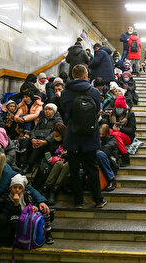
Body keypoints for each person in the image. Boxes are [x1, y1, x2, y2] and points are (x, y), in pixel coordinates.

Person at [61, 64, 107, 209]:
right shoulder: (93, 91)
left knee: (74, 170)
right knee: (92, 168)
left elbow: (65, 113)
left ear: (73, 75)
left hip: (73, 135)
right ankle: (98, 199)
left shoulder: (65, 92)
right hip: (90, 135)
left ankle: (78, 201)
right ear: (86, 75)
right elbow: (98, 111)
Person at [0, 174, 54, 245]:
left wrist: (34, 207)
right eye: (15, 187)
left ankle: (48, 233)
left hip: (29, 214)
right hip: (18, 216)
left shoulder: (27, 194)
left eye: (20, 188)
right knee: (14, 220)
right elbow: (12, 212)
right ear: (11, 188)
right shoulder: (6, 198)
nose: (17, 190)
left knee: (44, 210)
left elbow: (32, 203)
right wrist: (16, 203)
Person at [19, 103, 62, 174]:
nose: (47, 111)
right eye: (46, 109)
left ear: (54, 111)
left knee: (37, 146)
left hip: (49, 142)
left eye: (50, 109)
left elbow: (55, 133)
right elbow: (34, 129)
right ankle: (24, 163)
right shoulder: (42, 119)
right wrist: (33, 138)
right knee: (25, 141)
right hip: (38, 138)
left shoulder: (58, 120)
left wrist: (45, 141)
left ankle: (29, 165)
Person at [41, 122, 67, 205]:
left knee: (66, 165)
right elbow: (48, 151)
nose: (54, 134)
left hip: (65, 161)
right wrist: (51, 158)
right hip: (54, 162)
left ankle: (54, 189)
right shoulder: (52, 140)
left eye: (57, 132)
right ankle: (47, 187)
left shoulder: (67, 142)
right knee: (59, 164)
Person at [107, 95, 136, 167]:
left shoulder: (130, 114)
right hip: (115, 133)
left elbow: (132, 130)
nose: (118, 109)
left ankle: (125, 156)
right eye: (117, 108)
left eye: (120, 108)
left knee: (116, 134)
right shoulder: (112, 114)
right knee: (109, 131)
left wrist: (120, 129)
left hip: (127, 136)